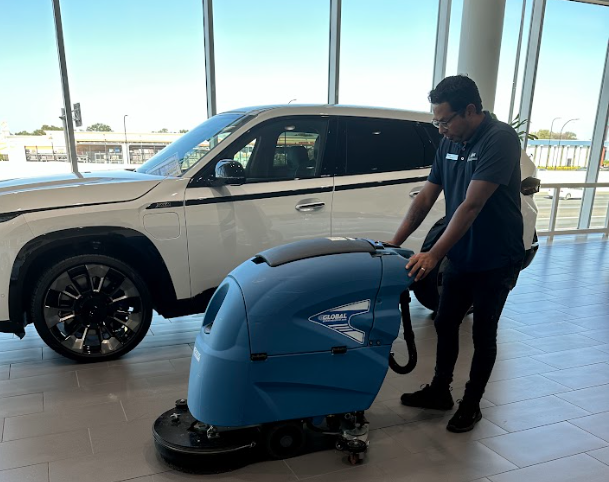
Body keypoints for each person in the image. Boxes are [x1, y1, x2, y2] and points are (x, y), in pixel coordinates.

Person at [388, 75, 524, 433]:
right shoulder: (449, 142)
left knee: (483, 333)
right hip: (461, 254)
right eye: (436, 121)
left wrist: (432, 254)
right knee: (445, 322)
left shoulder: (500, 139)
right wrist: (393, 242)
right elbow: (426, 198)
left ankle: (472, 403)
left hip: (496, 257)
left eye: (445, 120)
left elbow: (471, 205)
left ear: (470, 110)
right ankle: (439, 391)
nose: (441, 128)